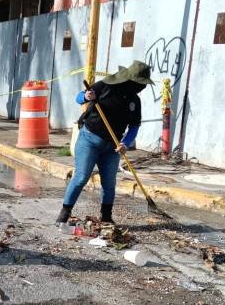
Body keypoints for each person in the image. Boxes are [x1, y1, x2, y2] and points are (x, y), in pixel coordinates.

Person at [56, 60, 153, 225]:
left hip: (113, 147)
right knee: (81, 177)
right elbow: (79, 98)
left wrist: (125, 143)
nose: (142, 87)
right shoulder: (106, 85)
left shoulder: (135, 101)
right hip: (89, 140)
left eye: (144, 84)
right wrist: (86, 96)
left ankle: (106, 217)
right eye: (140, 83)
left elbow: (134, 126)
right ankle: (65, 213)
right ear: (130, 80)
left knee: (109, 183)